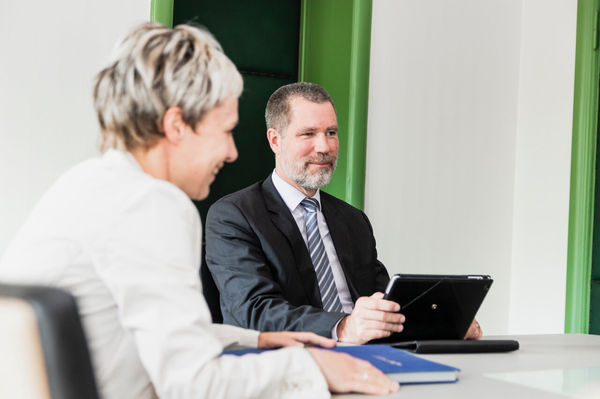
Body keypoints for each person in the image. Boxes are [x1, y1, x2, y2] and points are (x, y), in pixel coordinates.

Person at [0, 23, 399, 398]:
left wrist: (256, 340)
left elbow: (164, 336)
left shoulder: (87, 184)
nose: (231, 152)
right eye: (225, 131)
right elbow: (193, 383)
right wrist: (311, 366)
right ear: (176, 125)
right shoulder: (151, 205)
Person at [205, 82, 482, 344]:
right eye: (308, 134)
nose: (324, 147)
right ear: (275, 140)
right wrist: (343, 327)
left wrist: (444, 324)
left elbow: (385, 303)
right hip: (292, 363)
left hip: (368, 355)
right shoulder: (234, 216)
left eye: (331, 133)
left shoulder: (353, 220)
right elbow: (253, 312)